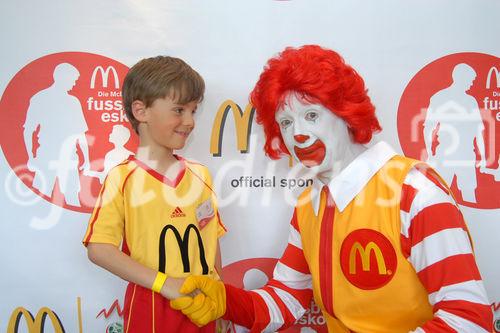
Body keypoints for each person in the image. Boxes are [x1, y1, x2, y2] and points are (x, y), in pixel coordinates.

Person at [171, 46, 493, 332]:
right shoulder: (309, 203)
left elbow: (468, 319)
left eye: (311, 115)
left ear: (346, 113)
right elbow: (286, 298)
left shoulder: (414, 193)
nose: (298, 134)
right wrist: (225, 301)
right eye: (285, 123)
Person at [83, 56, 226, 333]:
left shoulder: (200, 175)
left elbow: (211, 242)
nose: (189, 121)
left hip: (201, 305)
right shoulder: (122, 178)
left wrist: (221, 294)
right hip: (151, 305)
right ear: (141, 110)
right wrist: (165, 284)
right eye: (179, 110)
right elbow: (99, 248)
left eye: (193, 111)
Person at [23, 62, 91, 206]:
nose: (74, 84)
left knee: (72, 197)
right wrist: (30, 156)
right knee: (41, 197)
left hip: (68, 156)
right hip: (47, 155)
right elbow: (28, 129)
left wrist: (86, 158)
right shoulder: (40, 99)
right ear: (61, 78)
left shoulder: (73, 102)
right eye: (73, 80)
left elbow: (80, 133)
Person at [423, 63, 486, 203]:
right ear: (461, 78)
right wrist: (429, 153)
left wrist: (482, 155)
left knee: (468, 195)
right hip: (446, 154)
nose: (472, 83)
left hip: (465, 154)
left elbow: (478, 130)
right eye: (471, 80)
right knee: (439, 196)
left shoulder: (470, 101)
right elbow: (429, 127)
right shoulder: (439, 98)